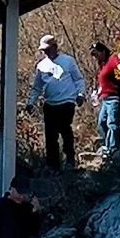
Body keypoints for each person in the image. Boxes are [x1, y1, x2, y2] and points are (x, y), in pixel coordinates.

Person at [25, 33, 86, 172]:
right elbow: (37, 86)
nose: (45, 52)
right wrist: (30, 102)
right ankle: (53, 165)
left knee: (65, 129)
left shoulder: (68, 61)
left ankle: (70, 157)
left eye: (47, 49)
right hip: (50, 103)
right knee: (50, 135)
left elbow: (78, 79)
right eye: (43, 50)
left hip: (66, 101)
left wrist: (80, 94)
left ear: (55, 47)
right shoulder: (41, 66)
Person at [90, 42, 120, 157]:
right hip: (105, 98)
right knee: (102, 122)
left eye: (97, 54)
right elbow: (103, 82)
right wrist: (98, 93)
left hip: (115, 97)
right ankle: (107, 145)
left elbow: (119, 66)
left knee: (112, 123)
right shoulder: (103, 64)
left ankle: (113, 149)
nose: (96, 57)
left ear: (103, 51)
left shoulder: (112, 59)